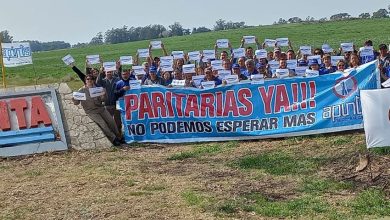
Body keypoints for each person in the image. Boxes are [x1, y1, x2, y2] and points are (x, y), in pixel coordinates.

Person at [73, 74, 122, 146]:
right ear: (85, 81)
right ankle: (114, 139)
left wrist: (103, 95)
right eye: (88, 79)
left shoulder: (97, 89)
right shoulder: (81, 91)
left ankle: (119, 137)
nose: (89, 80)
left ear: (93, 80)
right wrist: (74, 99)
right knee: (103, 124)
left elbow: (104, 100)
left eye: (91, 79)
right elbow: (76, 103)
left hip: (101, 109)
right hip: (91, 111)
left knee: (112, 122)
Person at [96, 69, 122, 136]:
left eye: (110, 72)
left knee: (118, 121)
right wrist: (100, 72)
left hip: (116, 104)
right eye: (108, 72)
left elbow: (122, 79)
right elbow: (97, 82)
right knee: (109, 122)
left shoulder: (117, 79)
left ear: (112, 72)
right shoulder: (103, 81)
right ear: (105, 72)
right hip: (107, 104)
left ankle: (119, 135)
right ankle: (112, 136)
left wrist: (119, 68)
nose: (109, 73)